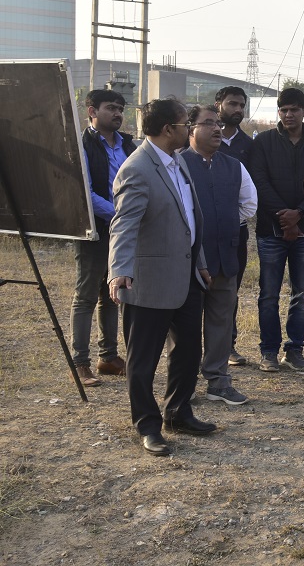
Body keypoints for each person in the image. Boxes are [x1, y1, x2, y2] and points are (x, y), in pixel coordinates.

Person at [107, 98, 214, 457]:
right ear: (169, 129)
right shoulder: (137, 168)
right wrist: (119, 270)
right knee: (143, 360)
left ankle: (178, 413)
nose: (190, 129)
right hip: (148, 280)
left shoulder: (177, 161)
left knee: (188, 350)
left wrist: (199, 262)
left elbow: (188, 219)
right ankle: (148, 426)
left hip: (186, 277)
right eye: (186, 124)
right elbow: (123, 224)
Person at [181, 105, 258, 406]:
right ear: (190, 129)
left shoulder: (233, 165)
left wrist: (222, 221)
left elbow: (249, 204)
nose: (216, 129)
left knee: (221, 322)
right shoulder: (177, 164)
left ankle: (218, 381)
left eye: (218, 123)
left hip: (225, 257)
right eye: (208, 123)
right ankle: (183, 384)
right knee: (186, 326)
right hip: (188, 261)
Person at [245, 88, 304, 373]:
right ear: (278, 112)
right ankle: (268, 351)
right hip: (271, 231)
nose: (289, 115)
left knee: (301, 294)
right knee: (269, 294)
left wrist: (299, 215)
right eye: (284, 110)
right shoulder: (263, 142)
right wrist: (285, 217)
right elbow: (259, 182)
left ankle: (294, 350)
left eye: (294, 109)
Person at [71, 90, 135, 387]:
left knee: (113, 294)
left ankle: (108, 357)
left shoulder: (128, 145)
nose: (118, 113)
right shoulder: (82, 144)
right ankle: (80, 363)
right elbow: (84, 191)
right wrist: (118, 215)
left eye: (120, 108)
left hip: (122, 231)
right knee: (85, 297)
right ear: (92, 111)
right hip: (94, 229)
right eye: (111, 108)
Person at [214, 86, 255, 367]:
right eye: (232, 104)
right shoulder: (201, 139)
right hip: (201, 228)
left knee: (230, 289)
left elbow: (253, 190)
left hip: (234, 230)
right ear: (218, 104)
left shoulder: (249, 146)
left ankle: (227, 346)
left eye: (241, 105)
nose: (237, 110)